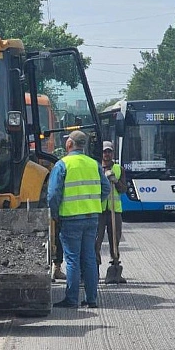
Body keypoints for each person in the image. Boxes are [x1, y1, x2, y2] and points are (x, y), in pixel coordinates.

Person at [48, 130, 110, 309]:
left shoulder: (62, 165)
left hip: (70, 218)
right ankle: (91, 299)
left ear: (69, 144)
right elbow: (105, 189)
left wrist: (54, 213)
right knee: (89, 257)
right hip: (92, 218)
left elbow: (53, 194)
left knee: (73, 259)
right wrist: (93, 203)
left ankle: (72, 299)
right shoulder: (94, 164)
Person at [96, 141, 127, 283]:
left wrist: (115, 180)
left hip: (115, 211)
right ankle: (94, 269)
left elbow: (123, 189)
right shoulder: (95, 168)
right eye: (104, 152)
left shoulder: (119, 169)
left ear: (112, 153)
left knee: (115, 239)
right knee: (96, 240)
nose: (106, 154)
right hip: (99, 211)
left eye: (109, 151)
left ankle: (115, 266)